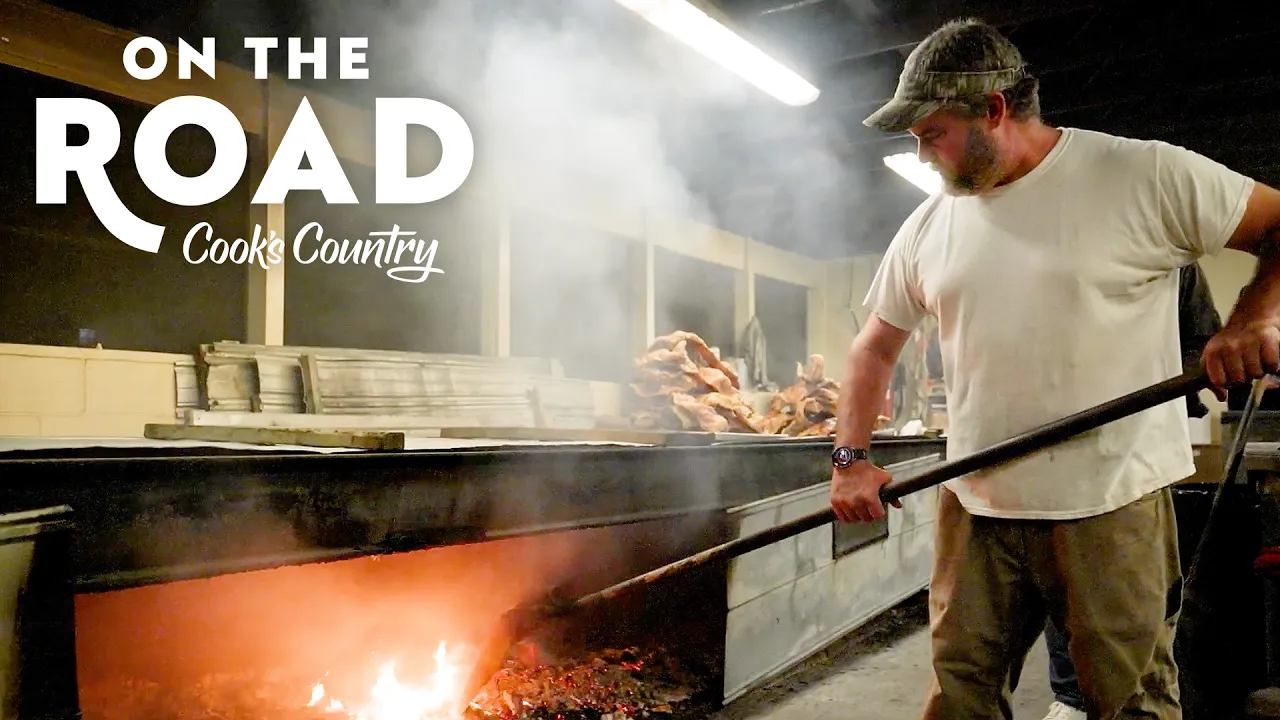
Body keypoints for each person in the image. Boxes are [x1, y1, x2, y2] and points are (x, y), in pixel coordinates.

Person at [827, 17, 1280, 720]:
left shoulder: (1142, 174)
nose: (921, 155)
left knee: (1126, 705)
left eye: (931, 132)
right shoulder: (930, 224)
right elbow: (873, 349)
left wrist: (1252, 319)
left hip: (1109, 504)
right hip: (975, 504)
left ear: (995, 110)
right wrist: (850, 458)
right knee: (958, 701)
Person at [1041, 261, 1222, 720]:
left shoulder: (1168, 249)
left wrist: (1140, 385)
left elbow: (1204, 345)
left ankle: (1125, 698)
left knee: (1136, 607)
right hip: (1050, 457)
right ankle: (1071, 695)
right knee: (1059, 578)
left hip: (1137, 460)